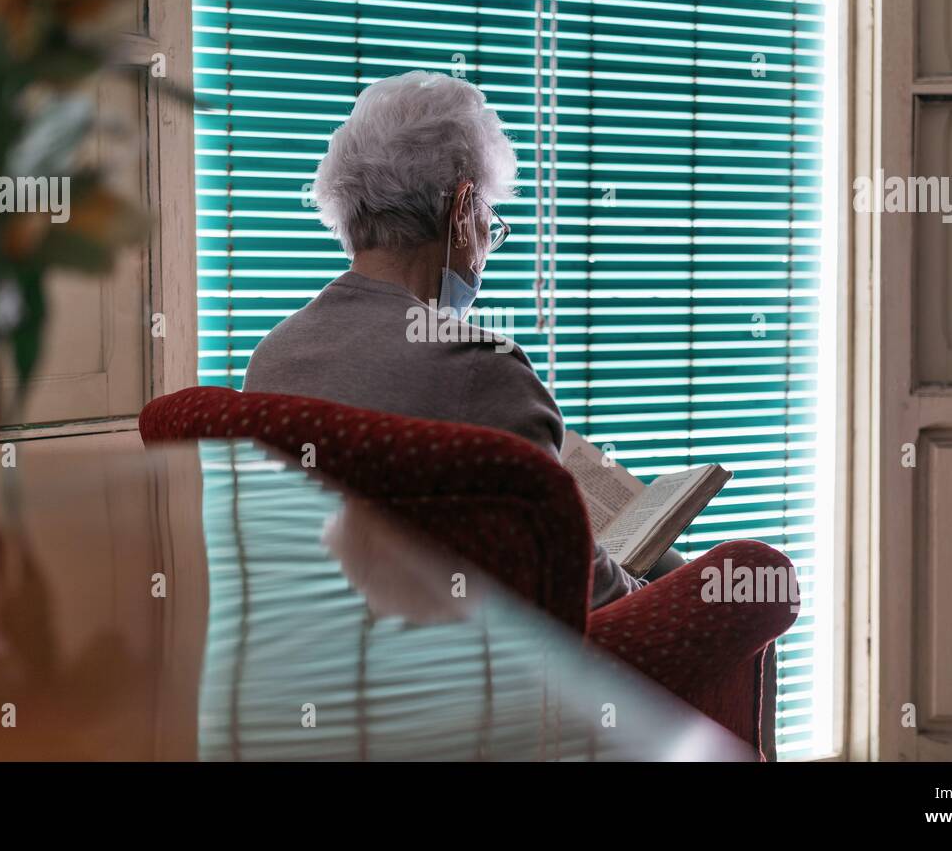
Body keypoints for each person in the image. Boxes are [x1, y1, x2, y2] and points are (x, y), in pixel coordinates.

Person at [244, 71, 678, 607]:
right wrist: (677, 587)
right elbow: (589, 599)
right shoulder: (482, 369)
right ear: (461, 210)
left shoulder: (271, 358)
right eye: (488, 223)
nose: (485, 248)